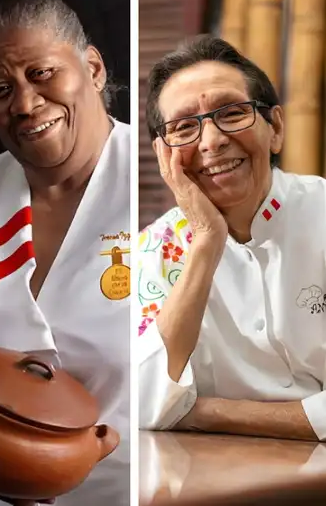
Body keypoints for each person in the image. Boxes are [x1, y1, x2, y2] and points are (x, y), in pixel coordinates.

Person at [0, 0, 131, 506]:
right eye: (1, 88)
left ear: (92, 68)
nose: (25, 104)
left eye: (42, 73)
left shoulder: (165, 187)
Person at [138, 35, 325, 442]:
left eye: (233, 113)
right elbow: (143, 400)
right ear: (162, 154)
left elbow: (173, 412)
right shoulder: (154, 250)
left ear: (275, 128)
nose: (212, 141)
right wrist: (206, 241)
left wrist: (209, 413)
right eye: (185, 127)